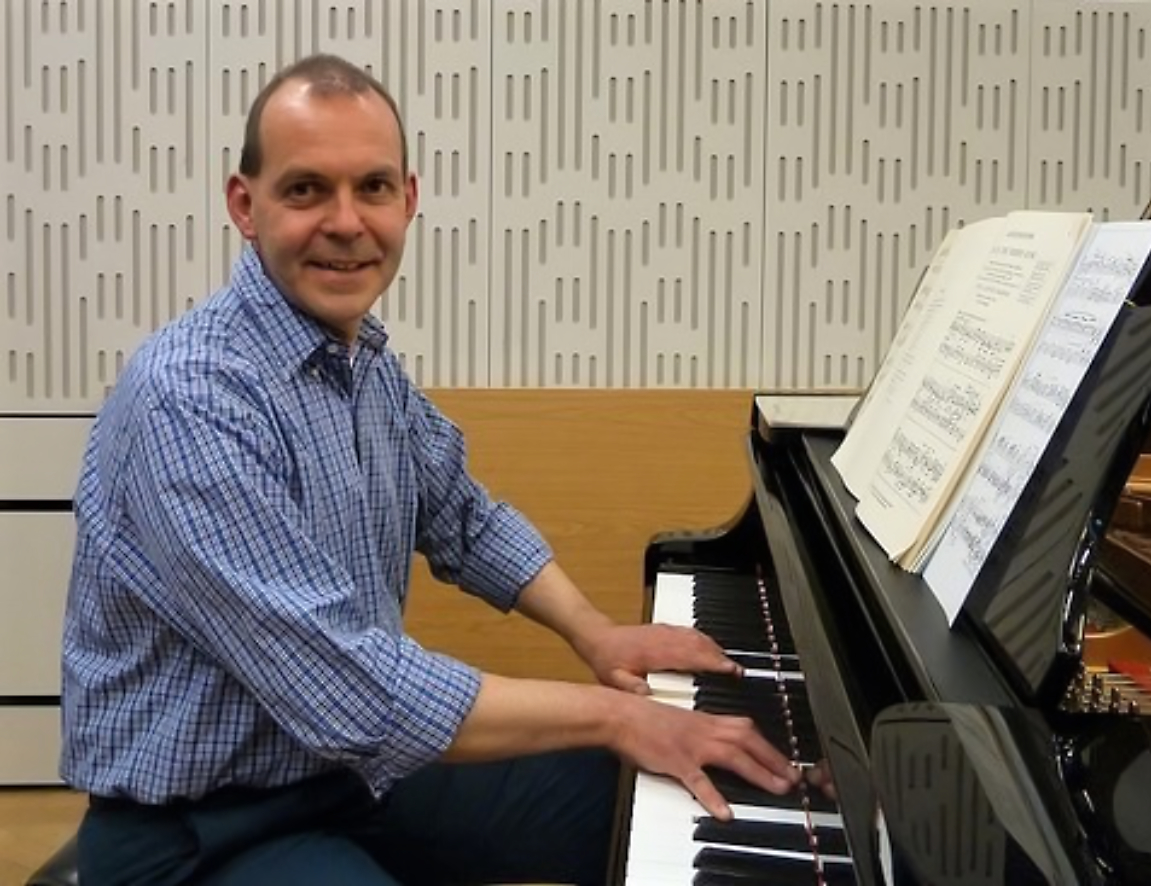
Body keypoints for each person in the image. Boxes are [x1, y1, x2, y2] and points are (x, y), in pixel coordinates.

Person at [60, 53, 800, 886]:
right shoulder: (190, 397)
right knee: (632, 747)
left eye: (371, 188)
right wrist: (611, 715)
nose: (347, 222)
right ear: (245, 204)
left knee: (668, 802)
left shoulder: (359, 357)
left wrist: (595, 633)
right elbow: (350, 686)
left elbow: (460, 514)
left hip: (344, 778)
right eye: (306, 190)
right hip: (196, 834)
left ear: (407, 199)